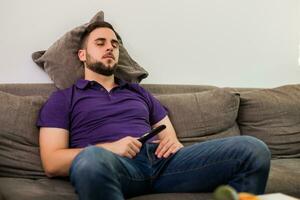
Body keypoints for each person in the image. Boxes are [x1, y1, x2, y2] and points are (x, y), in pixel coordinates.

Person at [37, 21, 271, 200]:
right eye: (100, 43)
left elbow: (167, 134)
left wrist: (172, 142)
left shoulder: (139, 92)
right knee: (90, 159)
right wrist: (111, 148)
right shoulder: (64, 98)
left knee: (253, 149)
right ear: (82, 55)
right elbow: (52, 163)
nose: (110, 48)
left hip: (163, 165)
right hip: (114, 165)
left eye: (114, 44)